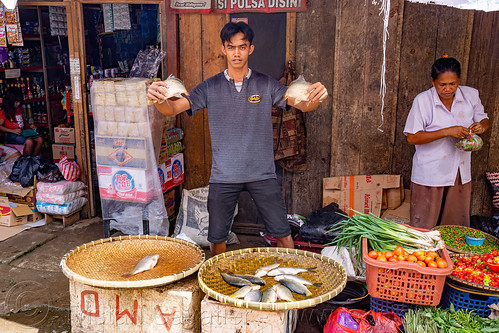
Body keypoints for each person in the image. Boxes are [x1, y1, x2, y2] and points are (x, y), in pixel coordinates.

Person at [147, 22, 328, 255]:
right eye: (231, 47)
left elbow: (303, 104)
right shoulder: (210, 87)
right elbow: (173, 110)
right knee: (217, 239)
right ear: (224, 49)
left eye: (242, 47)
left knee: (283, 234)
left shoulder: (265, 84)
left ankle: (292, 274)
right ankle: (218, 284)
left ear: (250, 49)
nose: (236, 53)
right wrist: (158, 98)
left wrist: (316, 96)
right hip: (224, 176)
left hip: (262, 174)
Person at [404, 56, 489, 229]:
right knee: (424, 227)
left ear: (459, 81)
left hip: (459, 171)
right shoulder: (423, 101)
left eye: (453, 84)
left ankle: (450, 256)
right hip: (430, 172)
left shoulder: (470, 95)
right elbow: (412, 137)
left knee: (453, 228)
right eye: (442, 84)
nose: (448, 89)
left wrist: (481, 127)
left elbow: (484, 119)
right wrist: (447, 132)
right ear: (432, 81)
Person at [0, 87, 43, 156]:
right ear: (10, 101)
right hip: (10, 134)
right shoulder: (4, 112)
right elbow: (0, 126)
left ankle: (33, 159)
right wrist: (13, 131)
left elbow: (23, 120)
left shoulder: (20, 109)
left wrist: (29, 125)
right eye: (16, 102)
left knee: (40, 139)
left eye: (19, 102)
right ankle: (25, 162)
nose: (19, 103)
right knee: (29, 142)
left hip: (21, 132)